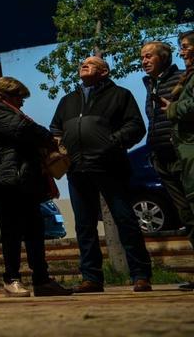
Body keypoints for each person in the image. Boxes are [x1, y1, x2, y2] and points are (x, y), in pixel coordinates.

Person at [49, 55, 152, 292]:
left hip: (110, 167)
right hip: (77, 169)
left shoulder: (120, 95)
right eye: (82, 64)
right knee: (84, 225)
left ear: (104, 72)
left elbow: (136, 126)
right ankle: (91, 278)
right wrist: (59, 147)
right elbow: (55, 128)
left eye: (91, 63)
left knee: (125, 220)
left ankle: (140, 275)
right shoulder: (68, 100)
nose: (83, 65)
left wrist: (111, 142)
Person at [0, 77, 71, 297]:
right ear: (6, 94)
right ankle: (11, 279)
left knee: (35, 231)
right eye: (20, 97)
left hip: (22, 181)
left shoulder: (7, 113)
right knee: (12, 232)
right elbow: (25, 130)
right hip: (7, 181)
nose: (22, 103)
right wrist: (49, 138)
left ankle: (42, 280)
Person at [141, 41, 193, 240]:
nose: (144, 61)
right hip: (161, 156)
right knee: (185, 214)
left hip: (182, 154)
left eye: (148, 56)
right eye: (142, 57)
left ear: (163, 57)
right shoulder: (151, 84)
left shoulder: (182, 78)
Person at [163, 31, 194, 290]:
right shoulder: (187, 78)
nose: (182, 52)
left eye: (185, 47)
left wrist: (172, 109)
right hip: (185, 151)